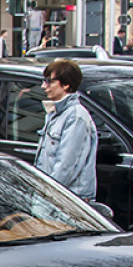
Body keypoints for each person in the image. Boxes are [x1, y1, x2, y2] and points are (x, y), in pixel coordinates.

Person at [35, 59, 98, 201]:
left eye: (49, 81)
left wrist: (48, 194)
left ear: (65, 84)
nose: (44, 86)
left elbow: (66, 165)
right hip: (54, 196)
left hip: (67, 200)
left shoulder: (76, 117)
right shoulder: (56, 113)